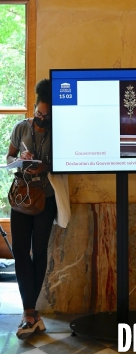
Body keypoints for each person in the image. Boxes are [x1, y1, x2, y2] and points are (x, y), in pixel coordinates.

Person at [6, 79, 57, 340]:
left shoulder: (59, 131)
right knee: (20, 254)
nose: (41, 119)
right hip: (21, 199)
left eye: (46, 116)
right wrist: (20, 160)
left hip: (45, 198)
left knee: (39, 253)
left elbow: (63, 163)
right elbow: (9, 157)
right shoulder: (21, 127)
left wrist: (44, 166)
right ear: (34, 108)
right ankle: (30, 313)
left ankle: (30, 313)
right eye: (38, 113)